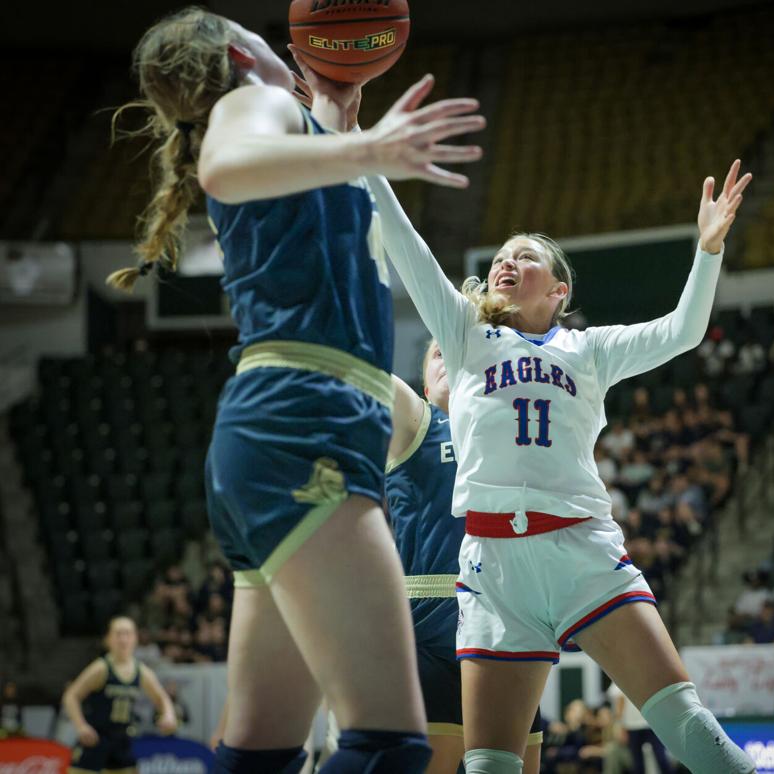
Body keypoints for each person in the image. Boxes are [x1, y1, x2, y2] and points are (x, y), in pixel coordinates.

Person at [106, 8, 484, 773]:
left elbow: (290, 170)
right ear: (240, 55)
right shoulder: (253, 105)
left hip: (274, 433)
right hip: (308, 419)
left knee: (261, 752)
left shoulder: (296, 128)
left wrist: (341, 117)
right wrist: (369, 144)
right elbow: (224, 165)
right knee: (387, 746)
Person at [368, 158, 754, 773]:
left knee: (687, 725)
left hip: (582, 552)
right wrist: (361, 147)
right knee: (491, 765)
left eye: (524, 256)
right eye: (500, 256)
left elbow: (683, 331)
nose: (504, 262)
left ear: (558, 291)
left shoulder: (589, 349)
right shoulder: (465, 334)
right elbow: (405, 243)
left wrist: (707, 251)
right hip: (493, 571)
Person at [323, 342, 544, 773]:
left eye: (462, 351)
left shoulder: (513, 432)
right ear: (424, 381)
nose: (452, 360)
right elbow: (365, 370)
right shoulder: (418, 421)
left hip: (509, 630)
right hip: (430, 631)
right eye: (440, 353)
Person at [63, 617, 178, 774]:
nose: (123, 639)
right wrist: (81, 726)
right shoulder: (101, 668)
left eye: (128, 633)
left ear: (135, 638)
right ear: (108, 639)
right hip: (96, 739)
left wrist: (169, 715)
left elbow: (161, 697)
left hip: (122, 740)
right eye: (118, 634)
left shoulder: (141, 670)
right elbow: (71, 696)